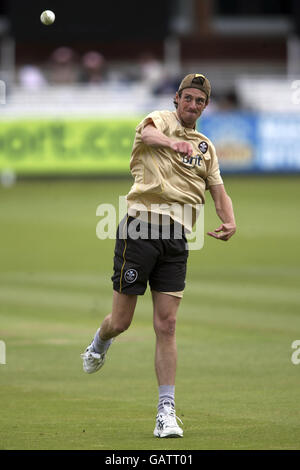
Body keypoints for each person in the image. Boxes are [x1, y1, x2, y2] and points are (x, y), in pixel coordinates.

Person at [81, 73, 236, 438]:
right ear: (176, 98)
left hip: (177, 238)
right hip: (140, 229)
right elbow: (147, 135)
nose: (192, 105)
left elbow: (218, 190)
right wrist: (171, 144)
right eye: (188, 98)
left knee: (167, 325)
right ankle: (99, 343)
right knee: (121, 321)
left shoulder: (206, 147)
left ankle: (166, 412)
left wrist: (229, 219)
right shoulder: (161, 121)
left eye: (200, 101)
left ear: (205, 106)